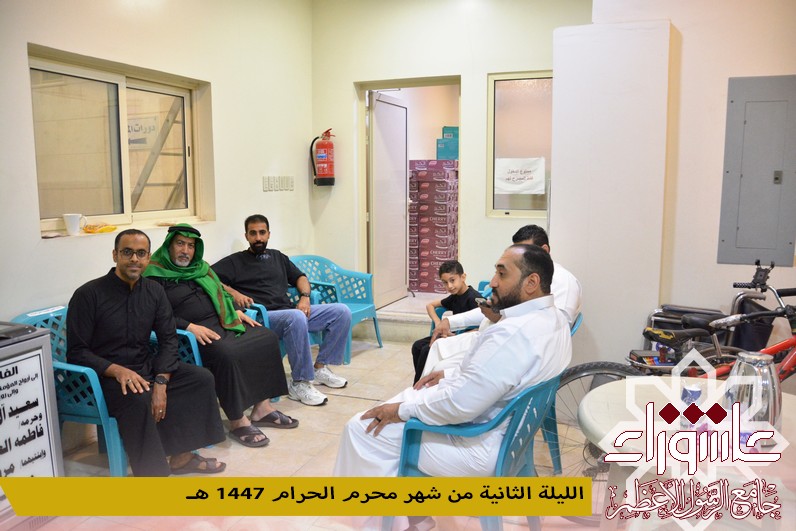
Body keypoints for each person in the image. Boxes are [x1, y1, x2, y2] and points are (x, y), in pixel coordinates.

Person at [334, 244, 571, 480]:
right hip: (510, 439)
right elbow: (499, 376)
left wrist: (400, 411)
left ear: (531, 282)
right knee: (420, 384)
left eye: (502, 273)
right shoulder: (555, 320)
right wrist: (449, 374)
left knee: (359, 429)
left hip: (477, 446)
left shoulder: (511, 334)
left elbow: (459, 405)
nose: (492, 282)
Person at [66, 229, 226, 476]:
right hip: (102, 376)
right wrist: (117, 371)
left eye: (141, 253)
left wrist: (161, 381)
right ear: (115, 255)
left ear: (148, 257)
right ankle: (153, 475)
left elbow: (168, 339)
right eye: (127, 252)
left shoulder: (153, 291)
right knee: (139, 397)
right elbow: (77, 352)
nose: (134, 259)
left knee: (200, 378)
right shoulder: (88, 295)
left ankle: (182, 457)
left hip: (144, 366)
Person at [143, 224, 297, 449]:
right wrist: (189, 326)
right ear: (169, 246)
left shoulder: (201, 268)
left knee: (267, 338)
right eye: (180, 244)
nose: (185, 250)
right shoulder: (153, 276)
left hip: (222, 320)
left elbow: (221, 293)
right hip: (194, 331)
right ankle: (237, 420)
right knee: (227, 352)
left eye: (191, 246)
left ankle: (262, 408)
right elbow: (154, 315)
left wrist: (235, 310)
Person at [212, 215, 353, 407]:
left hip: (290, 313)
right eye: (253, 233)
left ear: (269, 234)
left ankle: (320, 368)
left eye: (262, 232)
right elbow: (209, 277)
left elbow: (300, 277)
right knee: (295, 317)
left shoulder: (278, 257)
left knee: (341, 312)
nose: (258, 238)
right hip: (263, 317)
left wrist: (305, 297)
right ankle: (300, 382)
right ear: (246, 236)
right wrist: (234, 293)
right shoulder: (236, 261)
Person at [420, 224, 582, 378]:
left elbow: (549, 334)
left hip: (507, 347)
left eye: (524, 253)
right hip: (493, 337)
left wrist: (451, 375)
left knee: (439, 371)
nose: (493, 282)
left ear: (544, 251)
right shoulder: (521, 279)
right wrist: (451, 321)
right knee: (437, 348)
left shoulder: (563, 284)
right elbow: (495, 309)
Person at [410, 260, 480, 384]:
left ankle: (421, 383)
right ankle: (419, 380)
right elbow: (430, 305)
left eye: (452, 280)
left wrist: (459, 335)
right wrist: (438, 322)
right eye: (445, 282)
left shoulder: (473, 298)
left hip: (464, 340)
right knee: (417, 346)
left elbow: (482, 327)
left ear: (463, 277)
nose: (449, 286)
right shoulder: (455, 297)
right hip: (451, 335)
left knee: (426, 351)